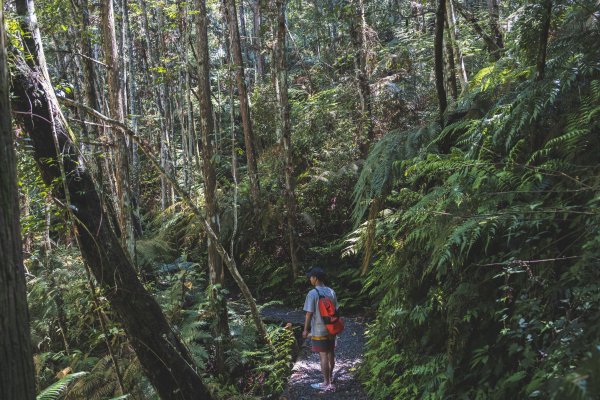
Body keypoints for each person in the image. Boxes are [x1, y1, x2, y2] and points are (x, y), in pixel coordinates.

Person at [302, 266, 338, 391]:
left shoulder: (312, 293)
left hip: (319, 329)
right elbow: (336, 310)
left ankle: (325, 383)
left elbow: (309, 313)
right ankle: (330, 378)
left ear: (315, 278)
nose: (310, 279)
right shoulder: (331, 291)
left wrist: (306, 329)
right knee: (331, 353)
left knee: (323, 355)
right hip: (332, 328)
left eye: (310, 277)